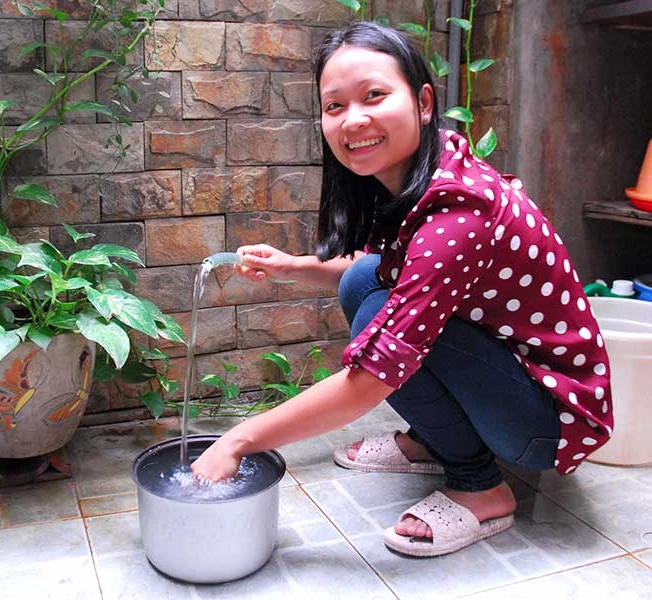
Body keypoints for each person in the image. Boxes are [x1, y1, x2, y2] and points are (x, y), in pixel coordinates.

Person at [190, 22, 613, 557]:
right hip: (514, 379)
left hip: (547, 422)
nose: (354, 120)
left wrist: (239, 439)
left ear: (424, 102)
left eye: (374, 95)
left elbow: (371, 379)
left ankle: (480, 486)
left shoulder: (458, 214)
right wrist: (292, 268)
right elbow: (383, 265)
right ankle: (434, 439)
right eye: (335, 106)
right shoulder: (425, 168)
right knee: (366, 280)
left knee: (378, 321)